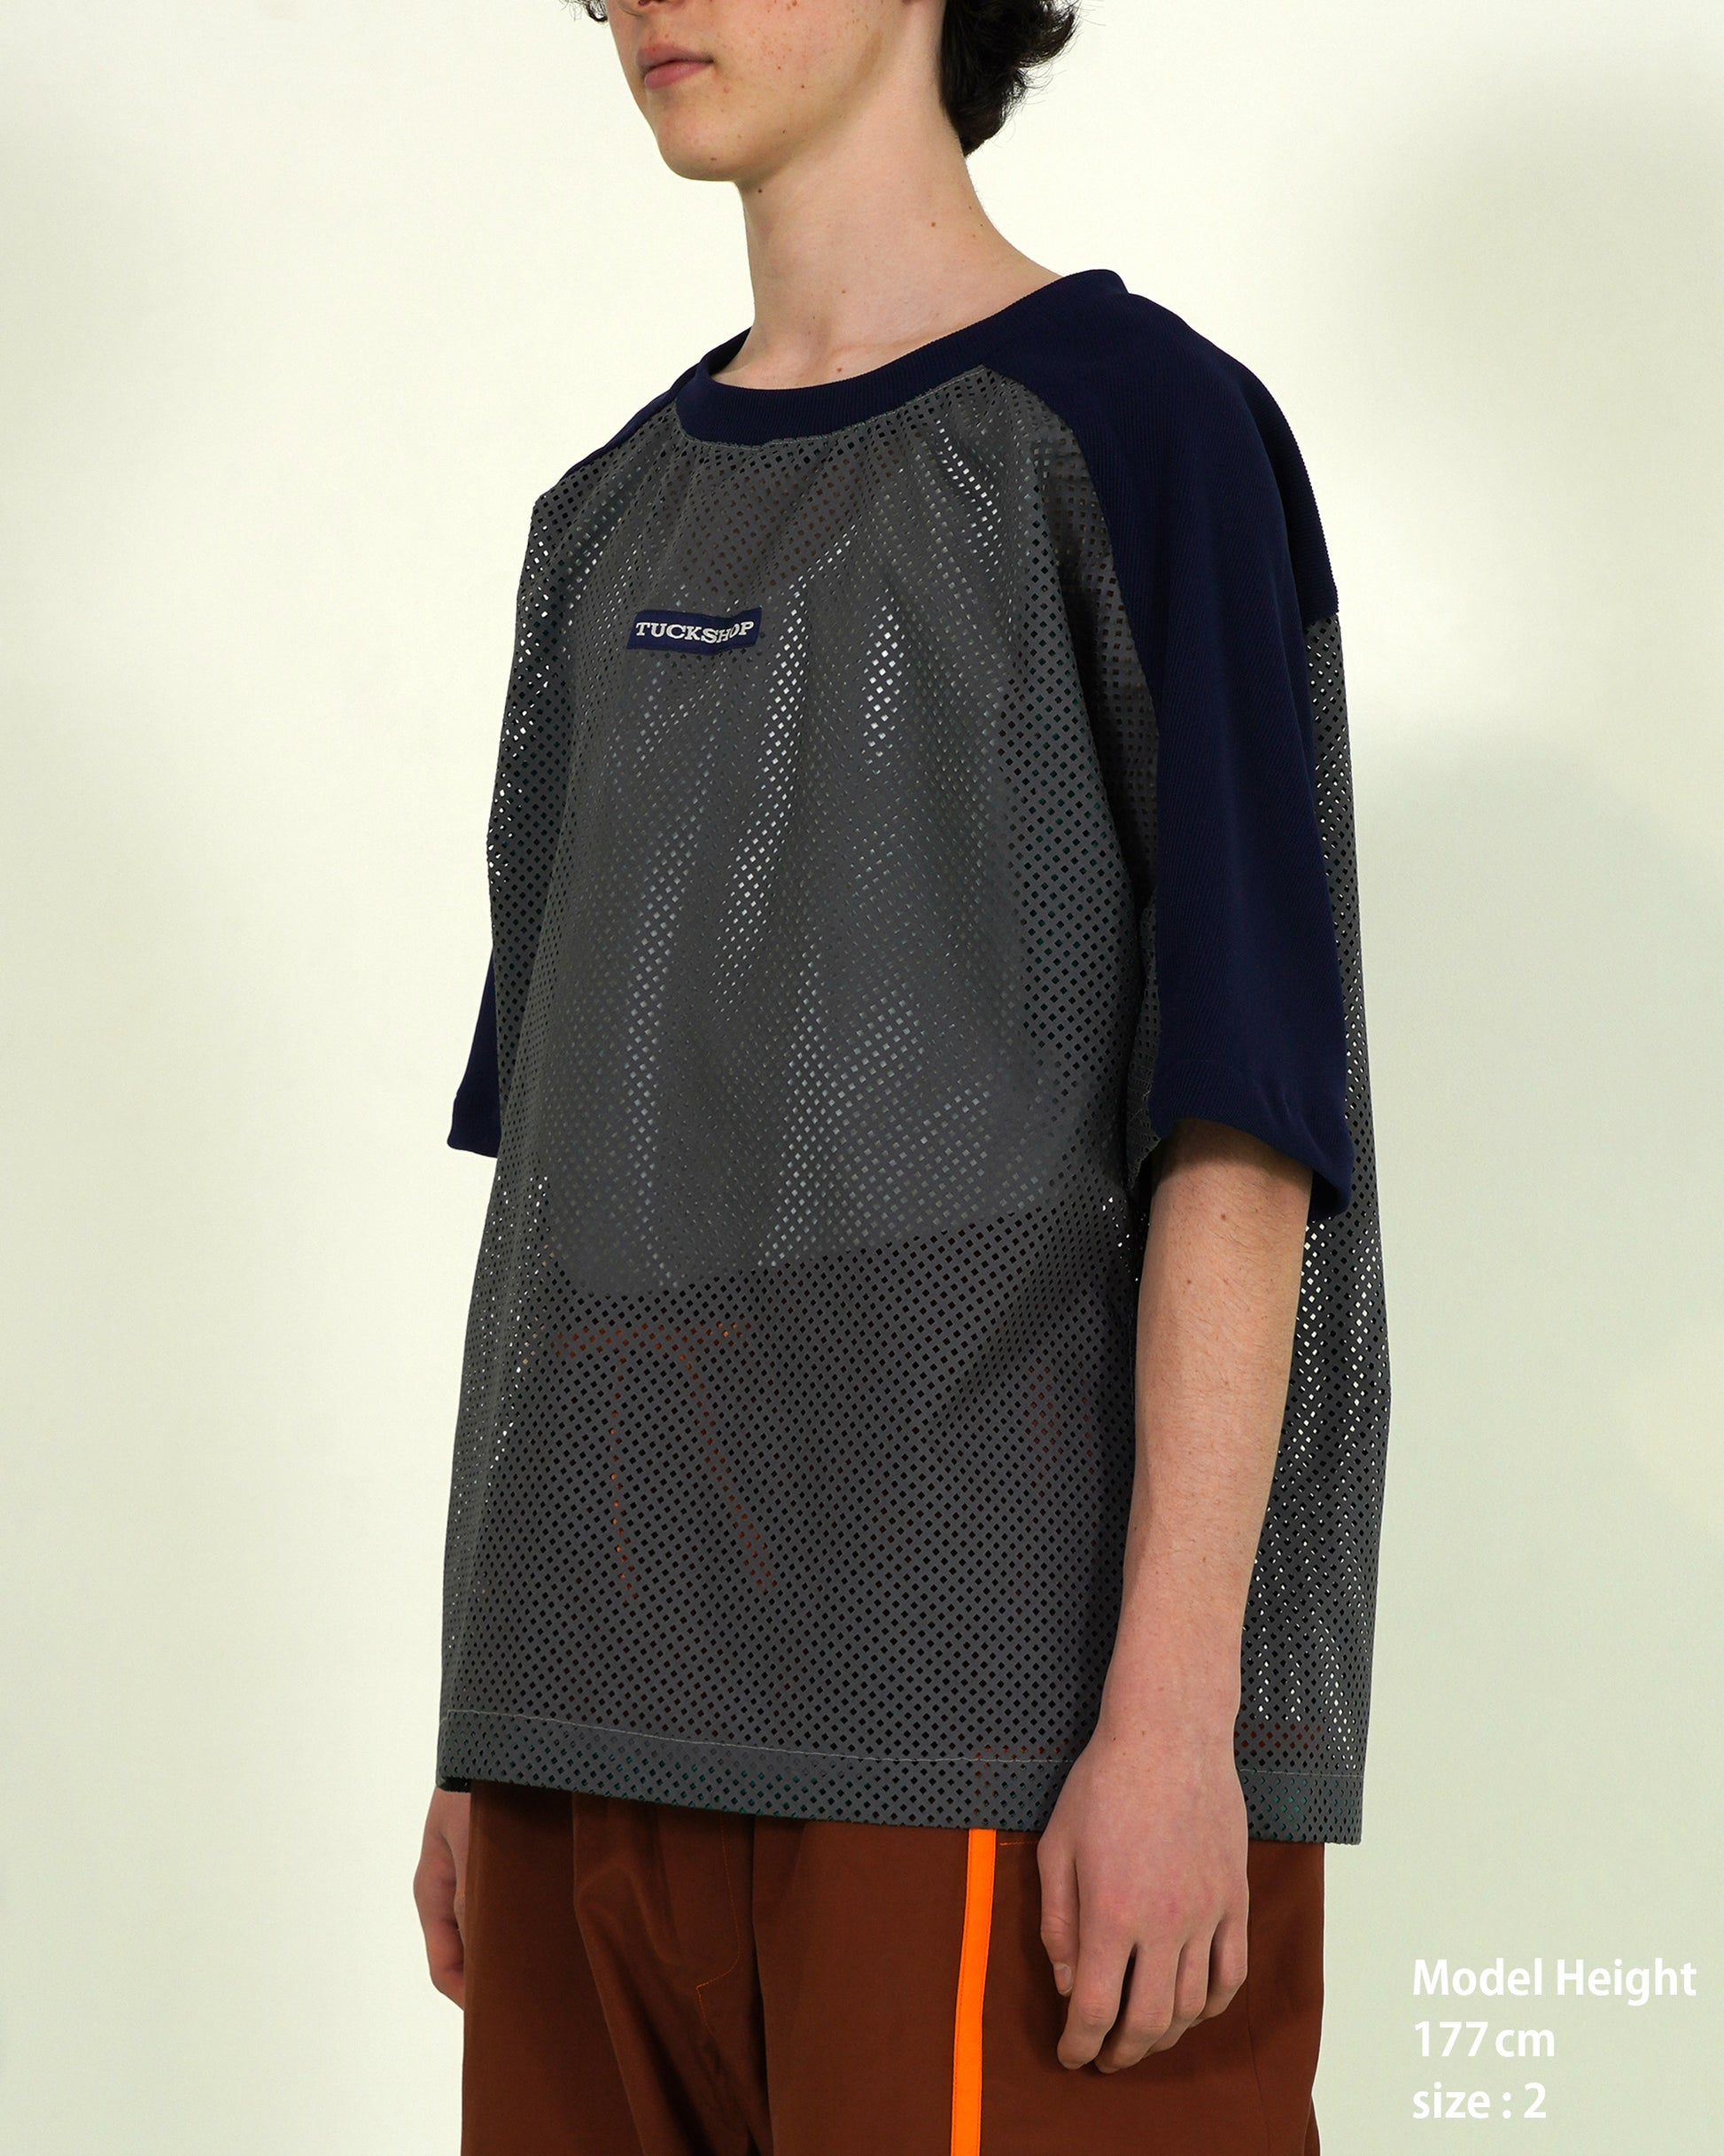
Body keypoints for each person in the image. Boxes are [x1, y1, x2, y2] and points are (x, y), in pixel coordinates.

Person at [413, 0, 1391, 2148]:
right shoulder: (604, 522)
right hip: (590, 1718)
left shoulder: (1140, 432)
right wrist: (488, 1720)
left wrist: (1175, 1720)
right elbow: (574, 1177)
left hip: (982, 1713)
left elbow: (1244, 1114)